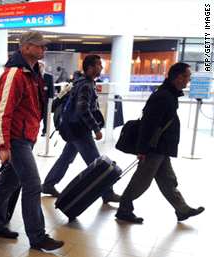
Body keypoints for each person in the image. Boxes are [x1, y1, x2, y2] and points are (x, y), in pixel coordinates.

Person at [0, 31, 64, 251]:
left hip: (25, 137)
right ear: (26, 48)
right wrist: (4, 146)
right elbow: (3, 112)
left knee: (9, 183)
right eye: (40, 46)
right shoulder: (15, 74)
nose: (44, 49)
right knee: (32, 185)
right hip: (17, 140)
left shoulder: (31, 72)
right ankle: (37, 236)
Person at [116, 62, 204, 223]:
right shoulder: (164, 96)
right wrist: (142, 149)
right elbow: (148, 124)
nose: (189, 80)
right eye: (188, 76)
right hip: (154, 148)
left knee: (168, 180)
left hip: (162, 147)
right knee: (142, 180)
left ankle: (182, 209)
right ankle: (124, 209)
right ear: (179, 78)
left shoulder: (169, 94)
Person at [41, 55, 121, 204]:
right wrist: (96, 128)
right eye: (98, 65)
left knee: (65, 159)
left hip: (72, 128)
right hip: (80, 131)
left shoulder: (77, 81)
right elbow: (82, 108)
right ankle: (108, 193)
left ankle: (48, 184)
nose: (101, 67)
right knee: (97, 164)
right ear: (90, 68)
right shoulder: (86, 85)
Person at [39, 61, 55, 136]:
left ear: (43, 67)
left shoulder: (49, 76)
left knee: (46, 117)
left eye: (40, 66)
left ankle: (45, 131)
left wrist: (50, 101)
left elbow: (52, 90)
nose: (39, 68)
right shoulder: (34, 76)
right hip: (36, 101)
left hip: (46, 101)